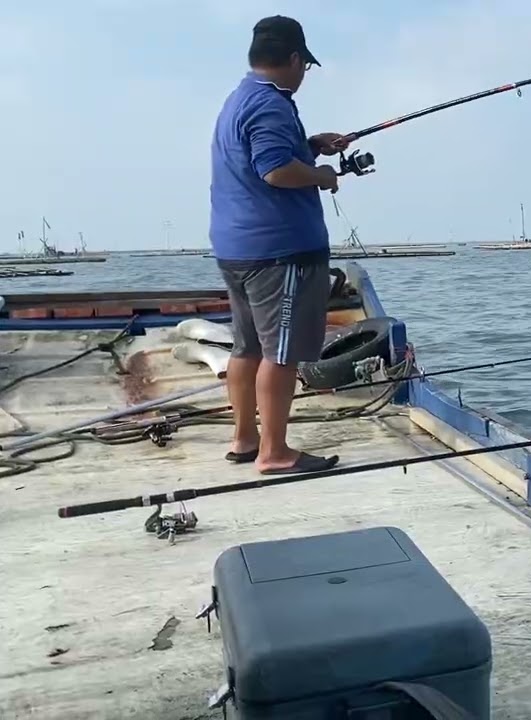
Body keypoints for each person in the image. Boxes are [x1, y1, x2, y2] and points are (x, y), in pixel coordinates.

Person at [208, 16, 343, 475]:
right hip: (279, 254)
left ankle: (246, 439)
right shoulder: (271, 105)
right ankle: (275, 453)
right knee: (280, 354)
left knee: (246, 348)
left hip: (238, 249)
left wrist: (309, 146)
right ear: (293, 59)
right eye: (305, 64)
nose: (304, 73)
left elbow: (266, 154)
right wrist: (323, 177)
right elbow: (274, 170)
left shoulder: (240, 98)